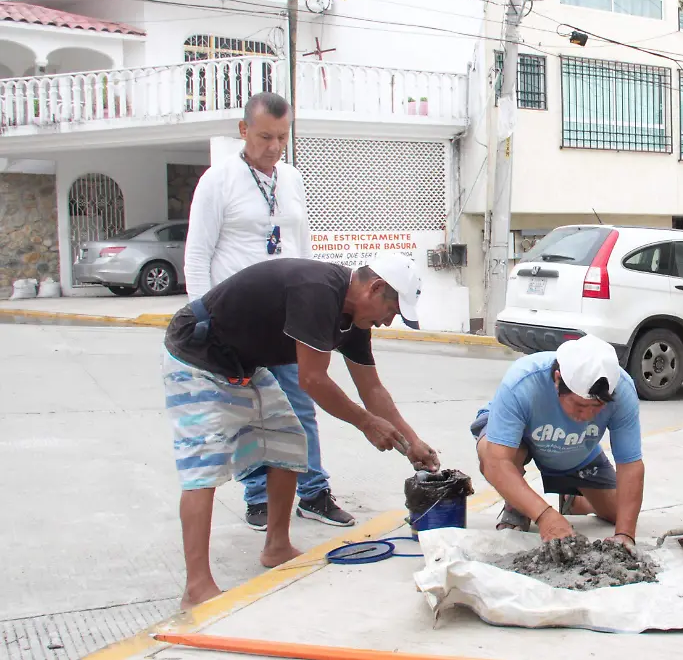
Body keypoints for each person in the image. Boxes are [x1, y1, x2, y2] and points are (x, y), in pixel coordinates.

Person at [162, 253, 440, 609]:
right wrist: (366, 423)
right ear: (376, 287)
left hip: (242, 363)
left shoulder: (354, 319)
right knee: (204, 463)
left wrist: (412, 441)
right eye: (391, 311)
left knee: (290, 442)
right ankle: (196, 587)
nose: (387, 322)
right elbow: (312, 379)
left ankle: (276, 547)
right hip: (197, 352)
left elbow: (372, 390)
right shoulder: (319, 291)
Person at [184, 91, 355, 531]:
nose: (274, 146)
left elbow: (304, 247)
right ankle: (258, 496)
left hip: (290, 321)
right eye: (265, 136)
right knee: (249, 412)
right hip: (236, 324)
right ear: (243, 131)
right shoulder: (217, 180)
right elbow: (197, 254)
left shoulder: (292, 179)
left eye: (282, 136)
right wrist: (203, 320)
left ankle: (313, 491)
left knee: (301, 404)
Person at [470, 334, 645, 548]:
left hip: (577, 446)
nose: (587, 416)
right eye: (579, 406)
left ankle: (574, 499)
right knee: (492, 453)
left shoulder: (623, 390)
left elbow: (630, 465)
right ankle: (518, 506)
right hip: (520, 440)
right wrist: (545, 516)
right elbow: (496, 463)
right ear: (557, 379)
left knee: (620, 512)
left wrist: (626, 534)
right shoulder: (522, 381)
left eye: (597, 407)